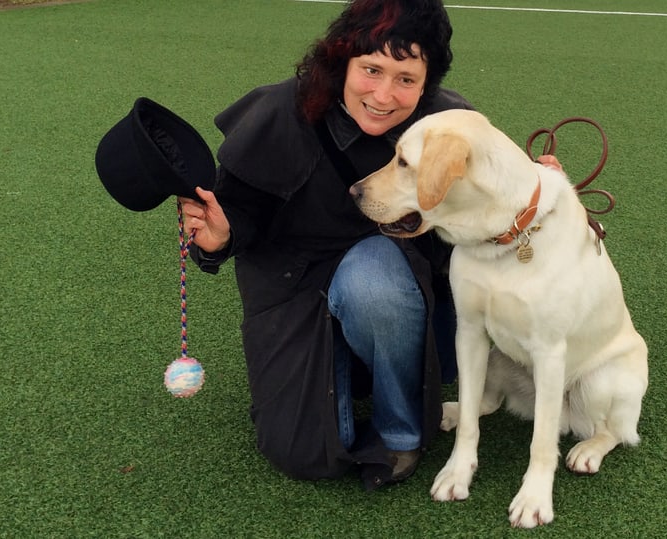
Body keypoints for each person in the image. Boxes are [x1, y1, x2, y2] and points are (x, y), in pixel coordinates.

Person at [178, 0, 473, 489]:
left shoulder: (448, 124)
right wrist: (220, 238)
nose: (383, 95)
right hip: (293, 279)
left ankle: (400, 432)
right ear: (342, 63)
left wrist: (541, 193)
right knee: (302, 454)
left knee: (373, 280)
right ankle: (350, 370)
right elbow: (240, 212)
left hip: (394, 276)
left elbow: (487, 199)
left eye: (406, 78)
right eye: (371, 69)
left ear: (428, 81)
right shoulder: (278, 112)